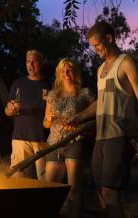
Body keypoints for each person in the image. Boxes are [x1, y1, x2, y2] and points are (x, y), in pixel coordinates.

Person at [68, 21, 138, 218]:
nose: (96, 50)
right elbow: (100, 103)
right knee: (100, 192)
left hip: (120, 137)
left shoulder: (126, 63)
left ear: (109, 38)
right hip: (101, 138)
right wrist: (78, 117)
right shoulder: (101, 70)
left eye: (98, 45)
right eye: (93, 47)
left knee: (110, 192)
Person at [43, 58, 94, 218]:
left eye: (70, 69)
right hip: (54, 143)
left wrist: (81, 124)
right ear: (58, 73)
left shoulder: (85, 93)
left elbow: (96, 113)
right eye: (63, 70)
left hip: (75, 143)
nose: (66, 73)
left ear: (75, 72)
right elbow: (45, 123)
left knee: (74, 190)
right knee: (49, 188)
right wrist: (49, 120)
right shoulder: (52, 95)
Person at [5, 49, 50, 180]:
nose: (30, 65)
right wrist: (9, 109)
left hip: (43, 140)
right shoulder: (18, 84)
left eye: (34, 61)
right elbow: (7, 110)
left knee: (45, 181)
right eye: (28, 61)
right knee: (18, 180)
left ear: (40, 63)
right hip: (20, 140)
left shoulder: (49, 85)